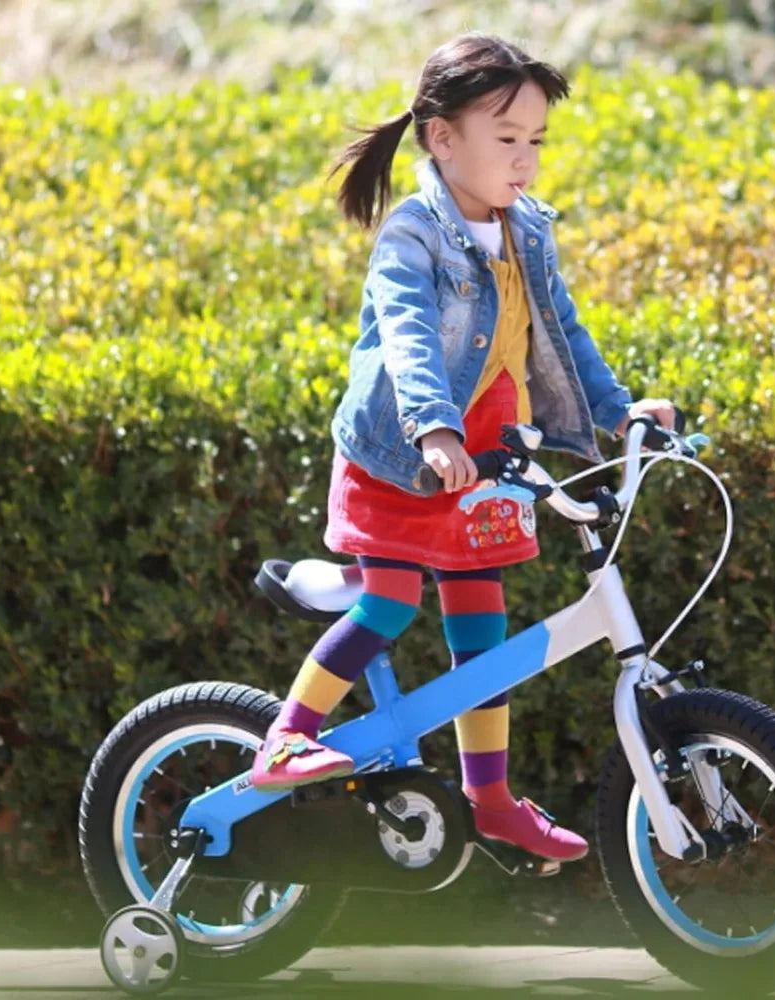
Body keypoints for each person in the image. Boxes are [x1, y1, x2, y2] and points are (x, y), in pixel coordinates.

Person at [251, 33, 676, 862]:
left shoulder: (528, 233)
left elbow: (565, 336)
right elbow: (408, 335)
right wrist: (434, 426)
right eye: (506, 137)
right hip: (405, 454)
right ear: (442, 138)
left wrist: (621, 412)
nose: (525, 160)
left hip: (489, 455)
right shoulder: (412, 235)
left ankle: (490, 798)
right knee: (391, 601)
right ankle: (287, 736)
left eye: (536, 141)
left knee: (483, 624)